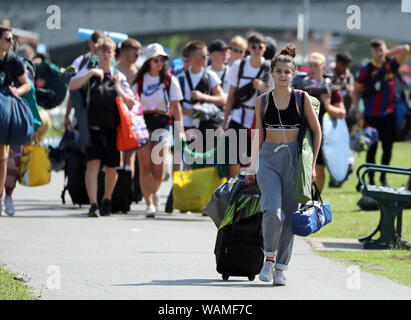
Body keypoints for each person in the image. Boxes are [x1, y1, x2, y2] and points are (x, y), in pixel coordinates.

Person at [246, 44, 321, 286]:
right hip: (268, 157)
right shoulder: (262, 101)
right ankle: (268, 258)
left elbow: (317, 132)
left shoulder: (302, 98)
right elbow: (258, 135)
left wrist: (311, 166)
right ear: (271, 73)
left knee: (289, 216)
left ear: (293, 74)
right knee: (272, 211)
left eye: (287, 72)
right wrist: (251, 165)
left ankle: (281, 267)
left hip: (293, 161)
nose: (282, 75)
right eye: (278, 71)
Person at [69, 36, 135, 217]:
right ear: (97, 53)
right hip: (92, 128)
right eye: (103, 52)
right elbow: (72, 86)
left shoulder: (118, 76)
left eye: (109, 52)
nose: (106, 55)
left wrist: (118, 86)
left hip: (113, 129)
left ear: (114, 54)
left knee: (111, 167)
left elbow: (131, 103)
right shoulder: (91, 73)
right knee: (93, 164)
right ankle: (93, 204)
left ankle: (107, 199)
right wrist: (91, 73)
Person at [132, 43, 185, 218]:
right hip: (143, 122)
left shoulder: (170, 80)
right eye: (156, 59)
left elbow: (176, 107)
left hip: (162, 121)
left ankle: (154, 192)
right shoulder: (140, 81)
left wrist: (180, 130)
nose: (160, 62)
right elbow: (132, 104)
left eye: (162, 59)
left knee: (158, 165)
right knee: (144, 165)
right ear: (148, 61)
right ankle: (149, 203)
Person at [353, 39, 409, 186]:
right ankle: (370, 179)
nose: (379, 53)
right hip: (371, 116)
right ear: (371, 52)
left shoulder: (391, 65)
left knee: (387, 148)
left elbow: (405, 48)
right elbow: (355, 91)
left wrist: (386, 53)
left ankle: (383, 178)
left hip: (388, 115)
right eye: (376, 51)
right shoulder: (367, 69)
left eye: (381, 50)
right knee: (371, 149)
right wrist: (358, 111)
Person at [294, 52, 346, 193]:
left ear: (323, 68)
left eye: (316, 66)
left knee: (319, 167)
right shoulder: (298, 84)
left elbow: (342, 113)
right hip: (300, 130)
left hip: (321, 133)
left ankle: (316, 198)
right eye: (310, 65)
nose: (312, 69)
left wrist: (328, 105)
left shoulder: (330, 87)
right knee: (297, 165)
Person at [222, 32, 271, 177]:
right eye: (253, 47)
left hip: (258, 121)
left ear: (264, 48)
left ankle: (248, 192)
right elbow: (230, 96)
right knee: (233, 158)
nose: (256, 50)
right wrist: (224, 122)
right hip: (238, 117)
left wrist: (263, 88)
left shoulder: (269, 68)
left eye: (259, 47)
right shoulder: (239, 65)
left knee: (252, 159)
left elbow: (275, 95)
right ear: (249, 48)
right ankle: (234, 190)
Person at [0, 25, 32, 216]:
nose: (12, 42)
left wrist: (17, 91)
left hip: (6, 116)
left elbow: (26, 84)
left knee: (4, 160)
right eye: (7, 38)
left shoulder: (14, 61)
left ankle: (3, 196)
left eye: (12, 39)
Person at [178, 40, 226, 151]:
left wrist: (203, 97)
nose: (207, 58)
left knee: (207, 158)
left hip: (206, 125)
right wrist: (192, 113)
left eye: (207, 55)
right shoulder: (180, 78)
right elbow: (175, 105)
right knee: (190, 159)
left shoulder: (210, 75)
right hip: (187, 126)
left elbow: (223, 100)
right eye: (203, 56)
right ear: (194, 58)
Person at [64, 30, 105, 131]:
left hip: (102, 113)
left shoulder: (107, 61)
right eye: (95, 43)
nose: (96, 47)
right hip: (82, 112)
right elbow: (72, 87)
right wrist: (67, 115)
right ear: (90, 43)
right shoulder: (83, 61)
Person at [116, 38, 142, 185]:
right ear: (125, 53)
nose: (137, 57)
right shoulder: (114, 69)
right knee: (117, 153)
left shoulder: (138, 73)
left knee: (130, 154)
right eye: (135, 54)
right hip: (115, 113)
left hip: (132, 115)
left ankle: (126, 188)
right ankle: (115, 187)